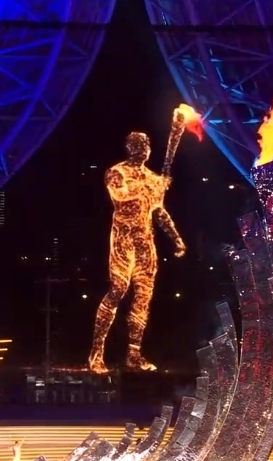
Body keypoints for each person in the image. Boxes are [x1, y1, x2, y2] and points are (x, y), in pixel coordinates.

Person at [88, 132, 186, 373]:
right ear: (129, 147)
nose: (143, 148)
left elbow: (159, 212)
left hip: (145, 242)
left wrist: (176, 238)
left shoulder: (153, 178)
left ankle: (134, 354)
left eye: (146, 144)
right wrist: (152, 187)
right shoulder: (116, 173)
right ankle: (96, 353)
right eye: (138, 144)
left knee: (143, 297)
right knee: (118, 289)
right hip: (123, 240)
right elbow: (121, 195)